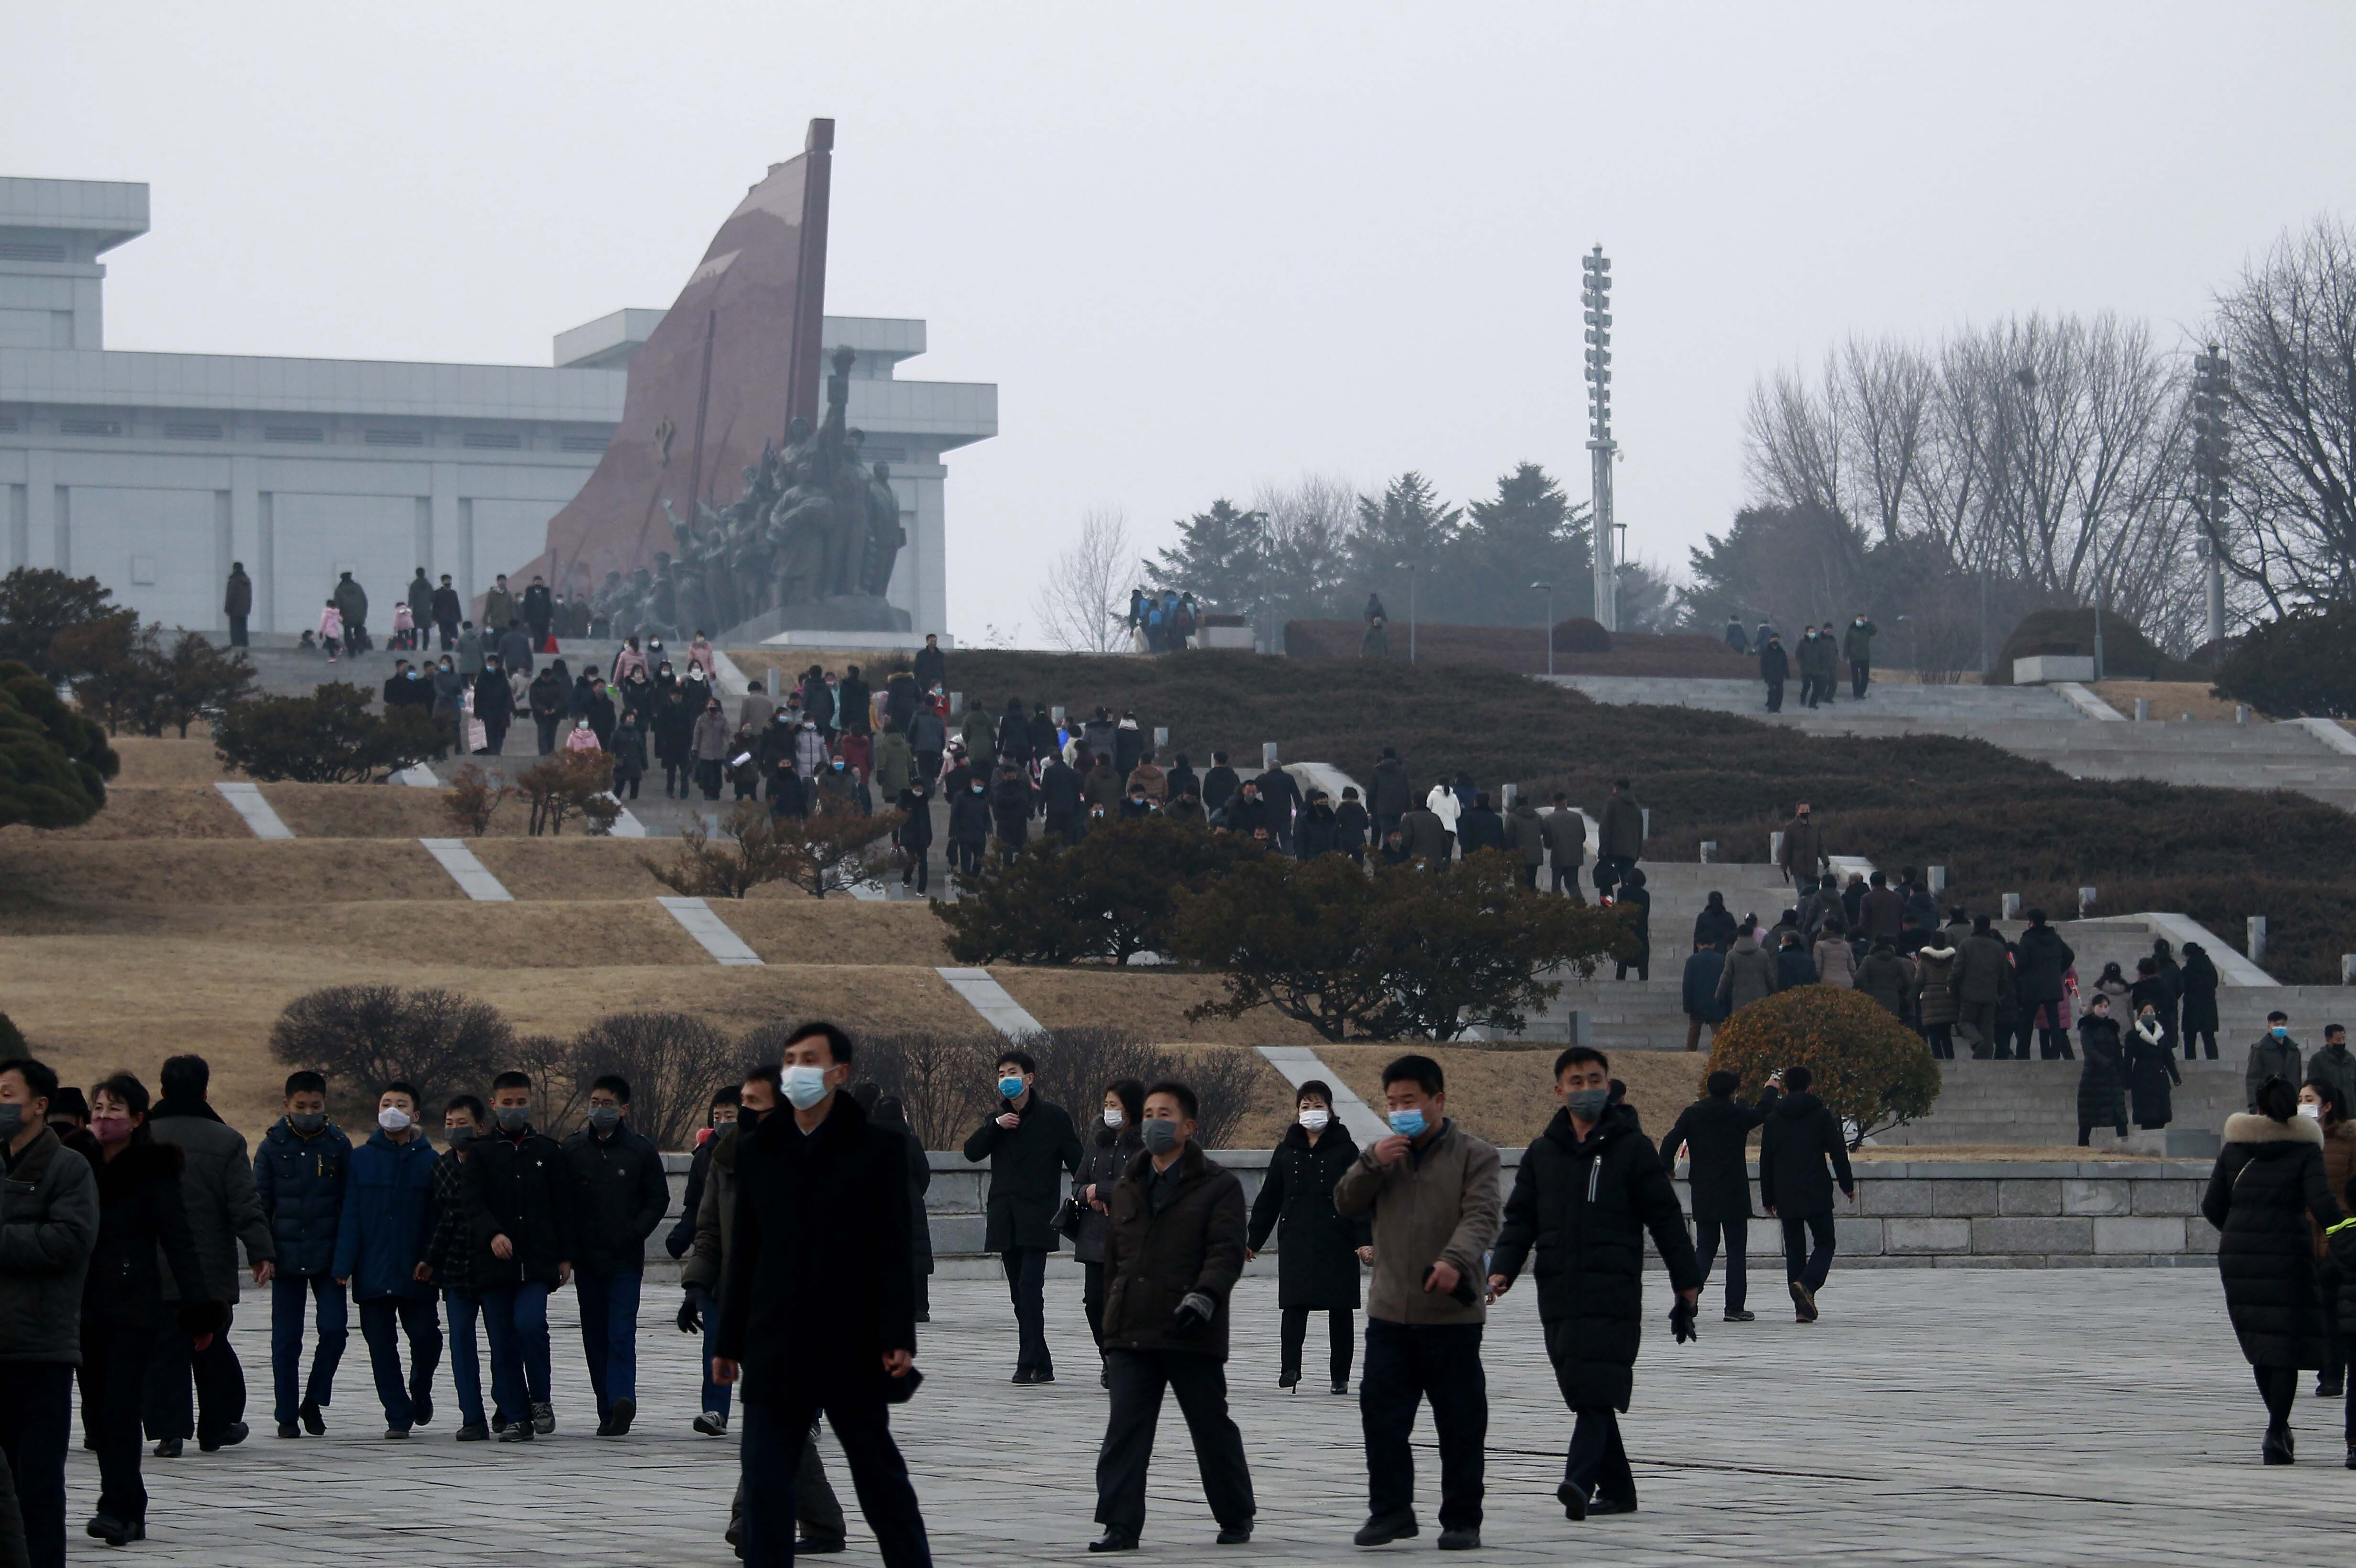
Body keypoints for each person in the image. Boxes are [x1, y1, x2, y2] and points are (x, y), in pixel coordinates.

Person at [715, 1026, 933, 1568]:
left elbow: (893, 1249)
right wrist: (729, 1340)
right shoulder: (759, 1149)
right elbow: (744, 1252)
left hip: (850, 1342)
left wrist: (897, 1335)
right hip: (774, 1342)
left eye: (810, 1060)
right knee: (765, 1484)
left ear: (840, 1072)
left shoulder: (878, 1148)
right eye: (790, 1060)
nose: (796, 1070)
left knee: (879, 1477)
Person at [1493, 1046, 1703, 1521]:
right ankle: (1621, 1491)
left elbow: (1666, 1218)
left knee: (1595, 1387)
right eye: (1576, 1080)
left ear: (1607, 1086)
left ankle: (1578, 1479)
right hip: (1559, 1291)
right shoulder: (1543, 1152)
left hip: (1613, 1290)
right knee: (1582, 1385)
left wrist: (1686, 1283)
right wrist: (1503, 1268)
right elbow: (1521, 1217)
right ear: (1559, 1089)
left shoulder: (1632, 1147)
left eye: (1594, 1079)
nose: (1585, 1088)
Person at [1332, 1055, 1502, 1552]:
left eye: (1410, 1101)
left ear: (1438, 1101)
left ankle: (1462, 1519)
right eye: (1392, 1103)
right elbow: (1345, 1203)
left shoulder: (1476, 1155)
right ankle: (1391, 1512)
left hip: (1450, 1314)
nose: (1400, 1110)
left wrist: (1455, 1259)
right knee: (1382, 1418)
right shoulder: (1383, 1154)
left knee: (1460, 1423)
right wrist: (1371, 1163)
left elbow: (1482, 1215)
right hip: (1390, 1313)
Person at [687, 1069, 851, 1555]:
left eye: (758, 1103)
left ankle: (750, 1519)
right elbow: (711, 1229)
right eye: (745, 1102)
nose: (747, 1112)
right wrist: (696, 1283)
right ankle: (822, 1523)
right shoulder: (727, 1157)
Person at [1088, 1080, 1255, 1552]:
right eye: (1148, 1113)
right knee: (1126, 1429)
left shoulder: (1219, 1186)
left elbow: (1225, 1251)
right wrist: (1110, 1322)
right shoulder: (1129, 1184)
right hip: (1132, 1329)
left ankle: (1235, 1513)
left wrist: (1206, 1296)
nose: (1154, 1122)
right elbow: (1114, 1261)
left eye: (1165, 1114)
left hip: (1190, 1327)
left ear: (1189, 1125)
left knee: (1210, 1425)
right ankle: (1120, 1524)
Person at [70, 1073, 218, 1547]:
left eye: (114, 1109)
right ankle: (129, 1506)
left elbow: (180, 1242)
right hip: (82, 1305)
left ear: (137, 1119)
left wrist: (200, 1311)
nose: (102, 1117)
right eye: (98, 1107)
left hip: (133, 1306)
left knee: (118, 1407)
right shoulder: (75, 1163)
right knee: (96, 1412)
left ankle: (116, 1507)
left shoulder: (154, 1170)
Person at [2203, 1075, 2341, 1465]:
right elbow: (2322, 1202)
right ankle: (2276, 1428)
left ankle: (2277, 1428)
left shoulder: (2235, 1148)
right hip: (2289, 1253)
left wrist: (2241, 1231)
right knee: (2285, 1343)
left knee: (2262, 1340)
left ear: (2259, 1107)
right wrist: (2347, 1232)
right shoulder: (2305, 1150)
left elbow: (2212, 1206)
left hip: (2240, 1256)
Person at [141, 1054, 271, 1459]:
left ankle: (169, 1432)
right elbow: (244, 1204)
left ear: (161, 1091)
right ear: (205, 1090)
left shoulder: (141, 1137)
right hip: (210, 1264)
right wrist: (260, 1251)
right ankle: (217, 1426)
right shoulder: (227, 1139)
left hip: (153, 1262)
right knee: (212, 1345)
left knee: (164, 1349)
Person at [0, 1057, 98, 1568]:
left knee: (37, 1484)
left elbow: (71, 1239)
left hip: (40, 1347)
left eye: (6, 1094)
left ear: (39, 1104)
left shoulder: (67, 1167)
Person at [961, 1050, 1083, 1383]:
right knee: (1019, 1294)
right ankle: (1041, 1362)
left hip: (1038, 1217)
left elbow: (1079, 1162)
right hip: (1005, 1218)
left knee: (1030, 1286)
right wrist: (995, 1128)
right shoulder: (996, 1120)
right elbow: (971, 1152)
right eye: (1001, 1074)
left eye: (1012, 1072)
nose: (1006, 1079)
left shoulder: (1054, 1118)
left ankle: (1027, 1360)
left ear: (1029, 1078)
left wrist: (1090, 1191)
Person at [464, 1071, 573, 1442]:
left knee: (530, 1325)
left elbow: (564, 1207)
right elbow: (472, 1204)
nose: (514, 1109)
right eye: (507, 1103)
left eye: (520, 1103)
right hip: (493, 1265)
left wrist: (565, 1255)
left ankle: (541, 1397)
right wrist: (492, 1233)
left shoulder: (547, 1151)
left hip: (537, 1261)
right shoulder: (480, 1153)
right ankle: (515, 1414)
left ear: (531, 1104)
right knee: (502, 1341)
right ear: (494, 1105)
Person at [559, 1074, 668, 1437]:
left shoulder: (640, 1150)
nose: (599, 1109)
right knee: (595, 1336)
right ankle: (607, 1409)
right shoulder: (573, 1150)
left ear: (623, 1110)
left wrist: (634, 1233)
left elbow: (658, 1200)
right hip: (588, 1263)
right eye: (594, 1102)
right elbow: (563, 1204)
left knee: (621, 1333)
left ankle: (623, 1398)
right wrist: (568, 1251)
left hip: (624, 1261)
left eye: (607, 1104)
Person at [331, 1083, 441, 1438]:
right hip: (373, 1270)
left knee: (427, 1338)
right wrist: (343, 1266)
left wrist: (433, 1260)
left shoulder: (430, 1161)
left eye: (401, 1104)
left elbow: (438, 1219)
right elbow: (350, 1215)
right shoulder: (361, 1159)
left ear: (416, 1114)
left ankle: (420, 1388)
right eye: (386, 1103)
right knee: (381, 1346)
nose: (393, 1109)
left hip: (417, 1270)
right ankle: (398, 1413)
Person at [1246, 1082, 1370, 1396]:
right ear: (1296, 1111)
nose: (1311, 1113)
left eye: (1317, 1106)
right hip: (1297, 1237)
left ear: (1330, 1110)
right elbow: (1269, 1198)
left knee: (1340, 1309)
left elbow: (1359, 1198)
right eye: (1305, 1107)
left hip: (1337, 1238)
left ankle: (1339, 1375)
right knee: (1294, 1305)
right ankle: (1291, 1368)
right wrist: (1252, 1240)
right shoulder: (1287, 1151)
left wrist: (1365, 1240)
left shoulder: (1346, 1150)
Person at [254, 1070, 349, 1438]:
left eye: (316, 1106)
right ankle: (286, 1413)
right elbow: (259, 1205)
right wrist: (262, 1253)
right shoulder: (272, 1146)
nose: (308, 1112)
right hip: (286, 1256)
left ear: (325, 1105)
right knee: (286, 1339)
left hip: (328, 1257)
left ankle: (314, 1398)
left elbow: (349, 1204)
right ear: (287, 1106)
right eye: (301, 1106)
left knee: (335, 1330)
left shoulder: (338, 1144)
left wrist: (346, 1257)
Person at [1658, 1069, 1784, 1323]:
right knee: (1736, 1250)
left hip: (1704, 1189)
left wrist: (1667, 1166)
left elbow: (1670, 1141)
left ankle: (1690, 1293)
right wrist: (1771, 1088)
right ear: (1733, 1091)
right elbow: (1762, 1112)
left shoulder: (1693, 1113)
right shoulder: (1737, 1114)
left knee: (1705, 1246)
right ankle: (1734, 1307)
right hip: (1734, 1190)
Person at [1757, 1066, 1855, 1323]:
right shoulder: (1820, 1114)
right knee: (1826, 1242)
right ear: (1810, 1086)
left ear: (1786, 1087)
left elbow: (1766, 1160)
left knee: (1795, 1250)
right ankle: (1808, 1285)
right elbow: (1837, 1151)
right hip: (1816, 1189)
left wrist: (1768, 1198)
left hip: (1785, 1191)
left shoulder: (1774, 1118)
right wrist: (1847, 1184)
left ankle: (1801, 1308)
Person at [421, 1096, 490, 1441]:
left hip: (493, 1266)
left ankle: (508, 1408)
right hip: (455, 1267)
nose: (455, 1130)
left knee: (502, 1341)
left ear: (480, 1126)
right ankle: (472, 1415)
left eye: (462, 1124)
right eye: (450, 1124)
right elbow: (442, 1220)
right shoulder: (442, 1167)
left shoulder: (494, 1161)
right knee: (461, 1342)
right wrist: (431, 1261)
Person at [1072, 1081, 1146, 1376]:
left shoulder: (1146, 1144)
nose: (1108, 1111)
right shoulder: (1097, 1142)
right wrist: (1088, 1192)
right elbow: (1078, 1183)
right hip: (1096, 1237)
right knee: (1094, 1302)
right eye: (1105, 1105)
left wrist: (1101, 1191)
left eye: (1114, 1105)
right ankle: (1109, 1359)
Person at [2303, 1081, 2356, 1402]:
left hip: (2340, 1236)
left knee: (2337, 1308)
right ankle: (2327, 1368)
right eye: (2299, 1099)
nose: (2303, 1104)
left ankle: (2334, 1374)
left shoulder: (2349, 1142)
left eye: (2309, 1099)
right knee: (2318, 1310)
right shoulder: (2299, 1142)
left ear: (2327, 1106)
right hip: (2306, 1234)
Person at [2015, 911, 2076, 1061]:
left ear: (2032, 922)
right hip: (2052, 985)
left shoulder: (2027, 938)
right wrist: (2059, 971)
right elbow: (2070, 955)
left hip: (2033, 986)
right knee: (2054, 1022)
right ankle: (2055, 1053)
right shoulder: (2055, 938)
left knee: (2028, 1022)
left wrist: (2021, 977)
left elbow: (2021, 962)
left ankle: (2023, 1054)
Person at [1952, 915, 2011, 1059]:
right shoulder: (1998, 948)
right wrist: (2002, 992)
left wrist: (1952, 987)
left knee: (1965, 1022)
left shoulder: (1966, 945)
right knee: (1988, 1028)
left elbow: (1957, 971)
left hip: (1969, 993)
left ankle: (1977, 1043)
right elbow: (2005, 974)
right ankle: (1986, 1058)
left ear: (1975, 926)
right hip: (1991, 994)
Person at [2076, 996, 2129, 1146]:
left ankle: (2124, 1144)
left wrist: (2121, 1069)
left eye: (2106, 1006)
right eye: (2101, 1006)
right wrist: (2105, 1063)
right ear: (2094, 1008)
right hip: (2093, 1078)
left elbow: (2118, 1051)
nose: (2104, 1009)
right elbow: (2089, 1050)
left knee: (2119, 1114)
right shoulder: (2087, 1026)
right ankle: (2082, 1147)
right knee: (2088, 1116)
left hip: (2112, 1079)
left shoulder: (2112, 1027)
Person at [2128, 1003, 2182, 1133]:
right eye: (2145, 1012)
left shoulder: (2161, 1034)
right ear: (2139, 1015)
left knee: (2161, 1114)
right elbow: (2128, 1060)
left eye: (2152, 1012)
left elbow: (2168, 1057)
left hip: (2160, 1076)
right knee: (2147, 1115)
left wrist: (2176, 1077)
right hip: (2142, 1076)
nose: (2149, 1014)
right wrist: (2126, 1080)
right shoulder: (2133, 1035)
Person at [1594, 778, 1644, 897]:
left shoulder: (1612, 803)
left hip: (1612, 851)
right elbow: (1640, 833)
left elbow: (1605, 827)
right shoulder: (1637, 808)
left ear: (1616, 788)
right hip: (1630, 853)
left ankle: (1608, 909)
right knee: (1629, 884)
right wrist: (1636, 853)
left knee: (1606, 883)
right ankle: (1628, 908)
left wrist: (1603, 850)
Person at [1912, 934, 1959, 1057]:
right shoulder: (1952, 959)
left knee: (1933, 1034)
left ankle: (1938, 1060)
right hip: (1948, 998)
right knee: (1946, 1034)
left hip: (1930, 998)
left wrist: (1912, 996)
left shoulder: (1924, 959)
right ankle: (1950, 1059)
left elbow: (1919, 980)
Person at [1716, 924, 1778, 1014]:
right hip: (1760, 999)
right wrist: (1775, 993)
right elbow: (1769, 977)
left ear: (1738, 936)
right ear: (1752, 934)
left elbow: (1726, 977)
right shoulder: (1763, 954)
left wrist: (1719, 995)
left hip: (1740, 1000)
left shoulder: (1732, 955)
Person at [1681, 938, 1729, 1052]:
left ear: (1698, 945)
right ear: (1714, 944)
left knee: (1693, 1034)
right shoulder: (1722, 959)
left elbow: (1687, 985)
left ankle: (1689, 1057)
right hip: (1716, 1002)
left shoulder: (1692, 961)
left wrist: (1687, 1006)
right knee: (1718, 1035)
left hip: (1697, 1003)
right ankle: (1720, 1056)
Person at [2249, 1012, 2303, 1113]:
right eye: (2277, 1025)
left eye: (2283, 1025)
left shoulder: (2294, 1050)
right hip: (2269, 1101)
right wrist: (2254, 1104)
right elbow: (2253, 1077)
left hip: (2290, 1101)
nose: (2281, 1028)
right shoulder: (2260, 1049)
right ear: (2269, 1026)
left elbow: (2297, 1078)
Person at [2181, 942, 2222, 1060]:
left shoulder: (2187, 970)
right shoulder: (2210, 968)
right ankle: (2213, 1060)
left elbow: (2181, 986)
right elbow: (2214, 983)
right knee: (2209, 1037)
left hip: (2191, 1006)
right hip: (2208, 1006)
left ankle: (2190, 1061)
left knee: (2189, 1037)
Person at [1540, 793, 1585, 896]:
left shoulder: (1549, 819)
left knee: (1556, 885)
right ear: (1566, 802)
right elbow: (1583, 837)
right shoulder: (1577, 817)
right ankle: (1580, 906)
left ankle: (1557, 907)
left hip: (1558, 856)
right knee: (1573, 884)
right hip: (1574, 857)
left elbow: (1547, 842)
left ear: (1554, 804)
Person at [1776, 802, 1823, 887]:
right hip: (1798, 868)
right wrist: (1784, 867)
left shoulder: (1814, 828)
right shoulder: (1791, 828)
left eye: (1807, 810)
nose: (1806, 812)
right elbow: (1786, 848)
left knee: (1812, 894)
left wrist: (1825, 860)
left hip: (1812, 868)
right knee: (1803, 894)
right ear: (1798, 812)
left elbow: (1820, 846)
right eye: (1803, 810)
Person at [2311, 1026, 2356, 1114]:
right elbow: (2314, 1086)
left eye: (2343, 1039)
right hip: (2330, 1110)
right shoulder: (2318, 1060)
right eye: (2338, 1040)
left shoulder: (2350, 1059)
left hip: (2350, 1110)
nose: (2342, 1043)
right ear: (2328, 1040)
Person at [1843, 613, 1877, 698]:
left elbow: (1875, 631)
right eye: (1859, 620)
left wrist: (1868, 622)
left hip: (1865, 657)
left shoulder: (1866, 630)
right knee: (1855, 677)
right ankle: (1856, 693)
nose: (1860, 622)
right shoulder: (1851, 630)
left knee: (1865, 677)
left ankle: (1861, 692)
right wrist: (1845, 655)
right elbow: (1846, 643)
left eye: (1862, 620)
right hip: (1854, 657)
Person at [223, 563, 252, 647]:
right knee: (243, 629)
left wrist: (227, 608)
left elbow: (231, 596)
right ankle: (245, 645)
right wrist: (248, 609)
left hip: (234, 610)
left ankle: (236, 646)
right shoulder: (247, 581)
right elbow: (250, 597)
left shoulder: (235, 580)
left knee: (235, 629)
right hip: (244, 611)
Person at [1758, 633, 1788, 713]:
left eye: (1777, 640)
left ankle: (1777, 708)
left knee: (1780, 692)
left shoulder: (1782, 652)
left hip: (1779, 676)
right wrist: (1764, 675)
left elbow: (1785, 664)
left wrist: (1787, 674)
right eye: (1774, 640)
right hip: (1770, 676)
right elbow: (1763, 664)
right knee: (1772, 691)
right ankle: (1771, 707)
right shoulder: (1766, 652)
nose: (1775, 642)